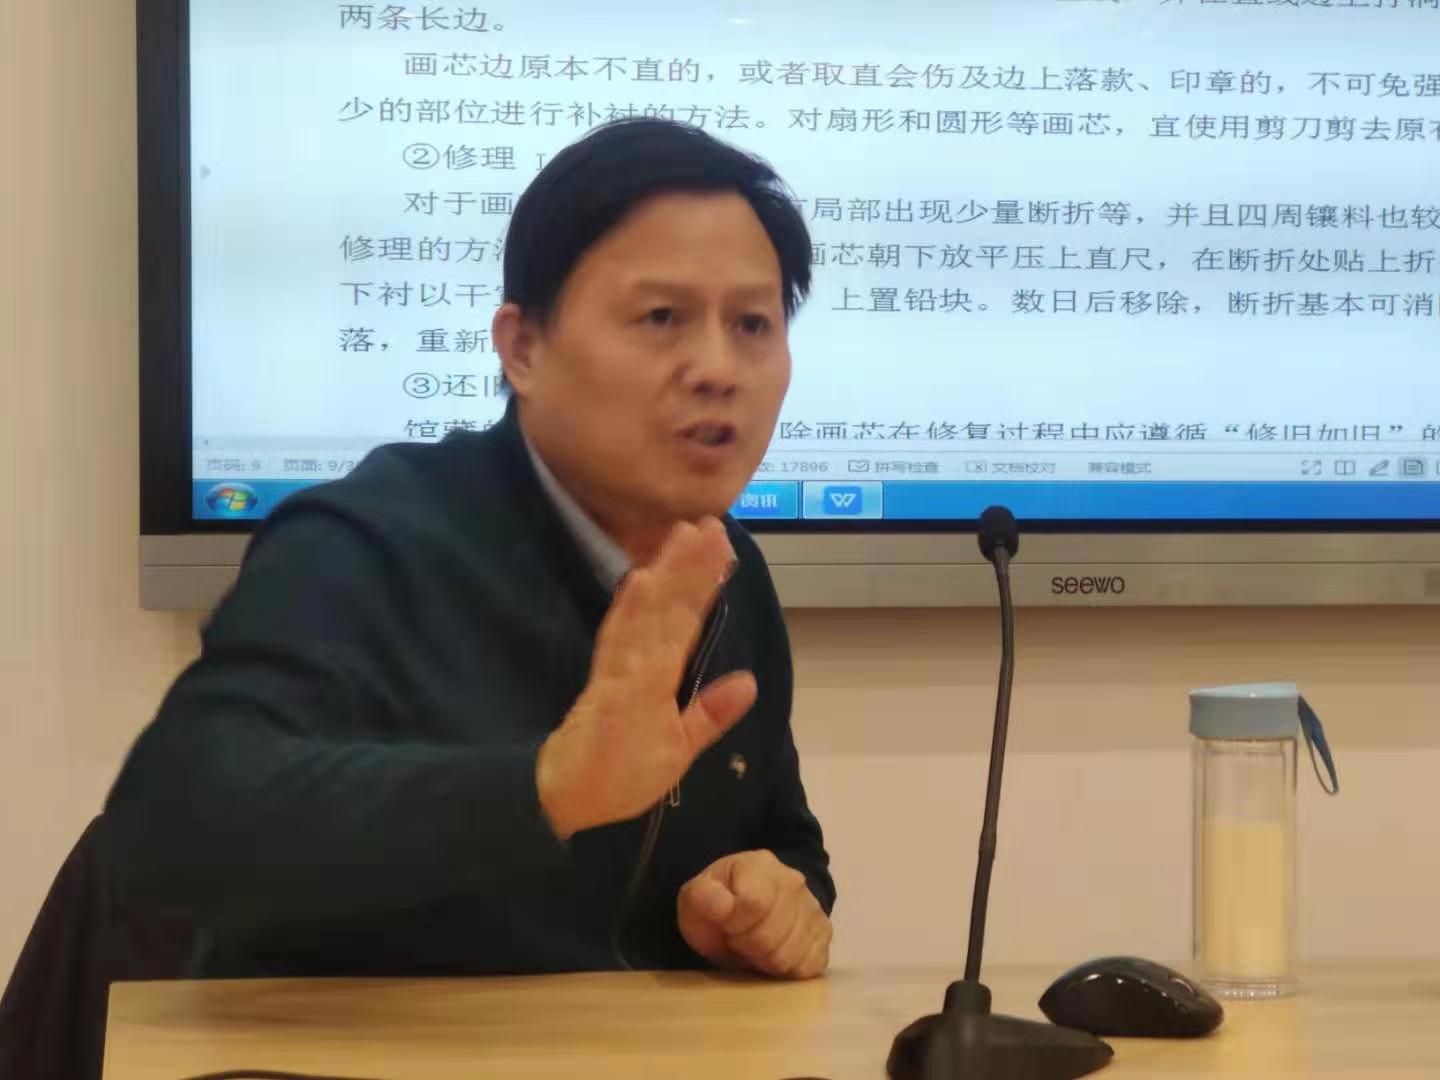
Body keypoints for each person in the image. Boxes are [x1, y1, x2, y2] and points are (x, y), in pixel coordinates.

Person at [105, 118, 835, 981]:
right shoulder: (367, 543)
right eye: (662, 317)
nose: (718, 367)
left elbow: (784, 846)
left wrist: (759, 905)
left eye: (752, 323)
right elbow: (171, 826)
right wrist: (549, 785)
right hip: (336, 1045)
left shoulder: (725, 571)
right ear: (522, 349)